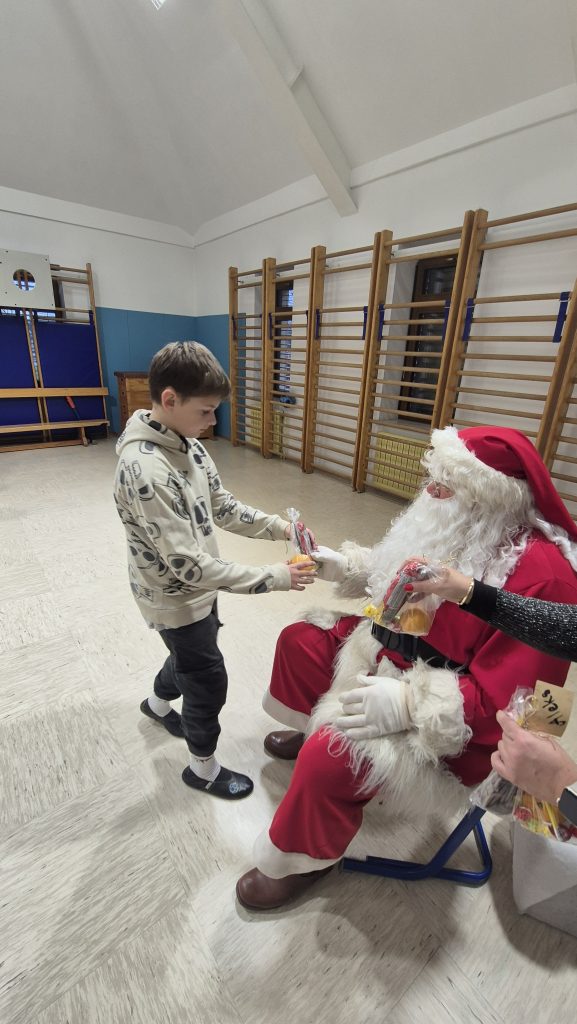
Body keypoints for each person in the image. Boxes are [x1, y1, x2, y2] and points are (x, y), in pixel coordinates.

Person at [236, 425, 577, 909]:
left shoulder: (548, 579)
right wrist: (344, 566)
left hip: (458, 724)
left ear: (490, 497)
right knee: (301, 642)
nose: (429, 492)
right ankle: (309, 731)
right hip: (391, 650)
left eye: (446, 485)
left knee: (334, 751)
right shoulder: (460, 523)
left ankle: (301, 859)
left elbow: (525, 711)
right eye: (432, 477)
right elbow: (399, 572)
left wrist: (408, 704)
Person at [113, 341, 316, 800]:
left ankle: (156, 704)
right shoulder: (145, 469)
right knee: (206, 679)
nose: (212, 421)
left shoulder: (188, 445)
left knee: (189, 656)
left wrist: (281, 527)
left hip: (201, 588)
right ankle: (202, 768)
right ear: (170, 399)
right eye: (205, 411)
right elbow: (188, 565)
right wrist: (276, 577)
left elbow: (221, 507)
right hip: (175, 595)